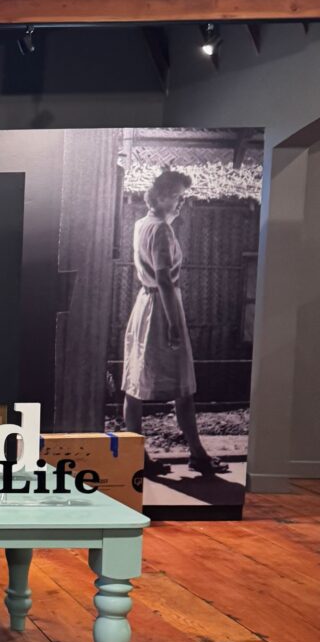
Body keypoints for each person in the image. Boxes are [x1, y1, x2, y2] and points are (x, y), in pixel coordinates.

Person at [122, 170, 229, 478]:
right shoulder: (161, 230)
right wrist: (172, 324)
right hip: (162, 308)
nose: (182, 203)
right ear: (162, 196)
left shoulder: (141, 224)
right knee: (182, 385)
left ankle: (136, 457)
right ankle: (197, 455)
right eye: (179, 196)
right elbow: (166, 280)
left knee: (135, 384)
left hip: (145, 304)